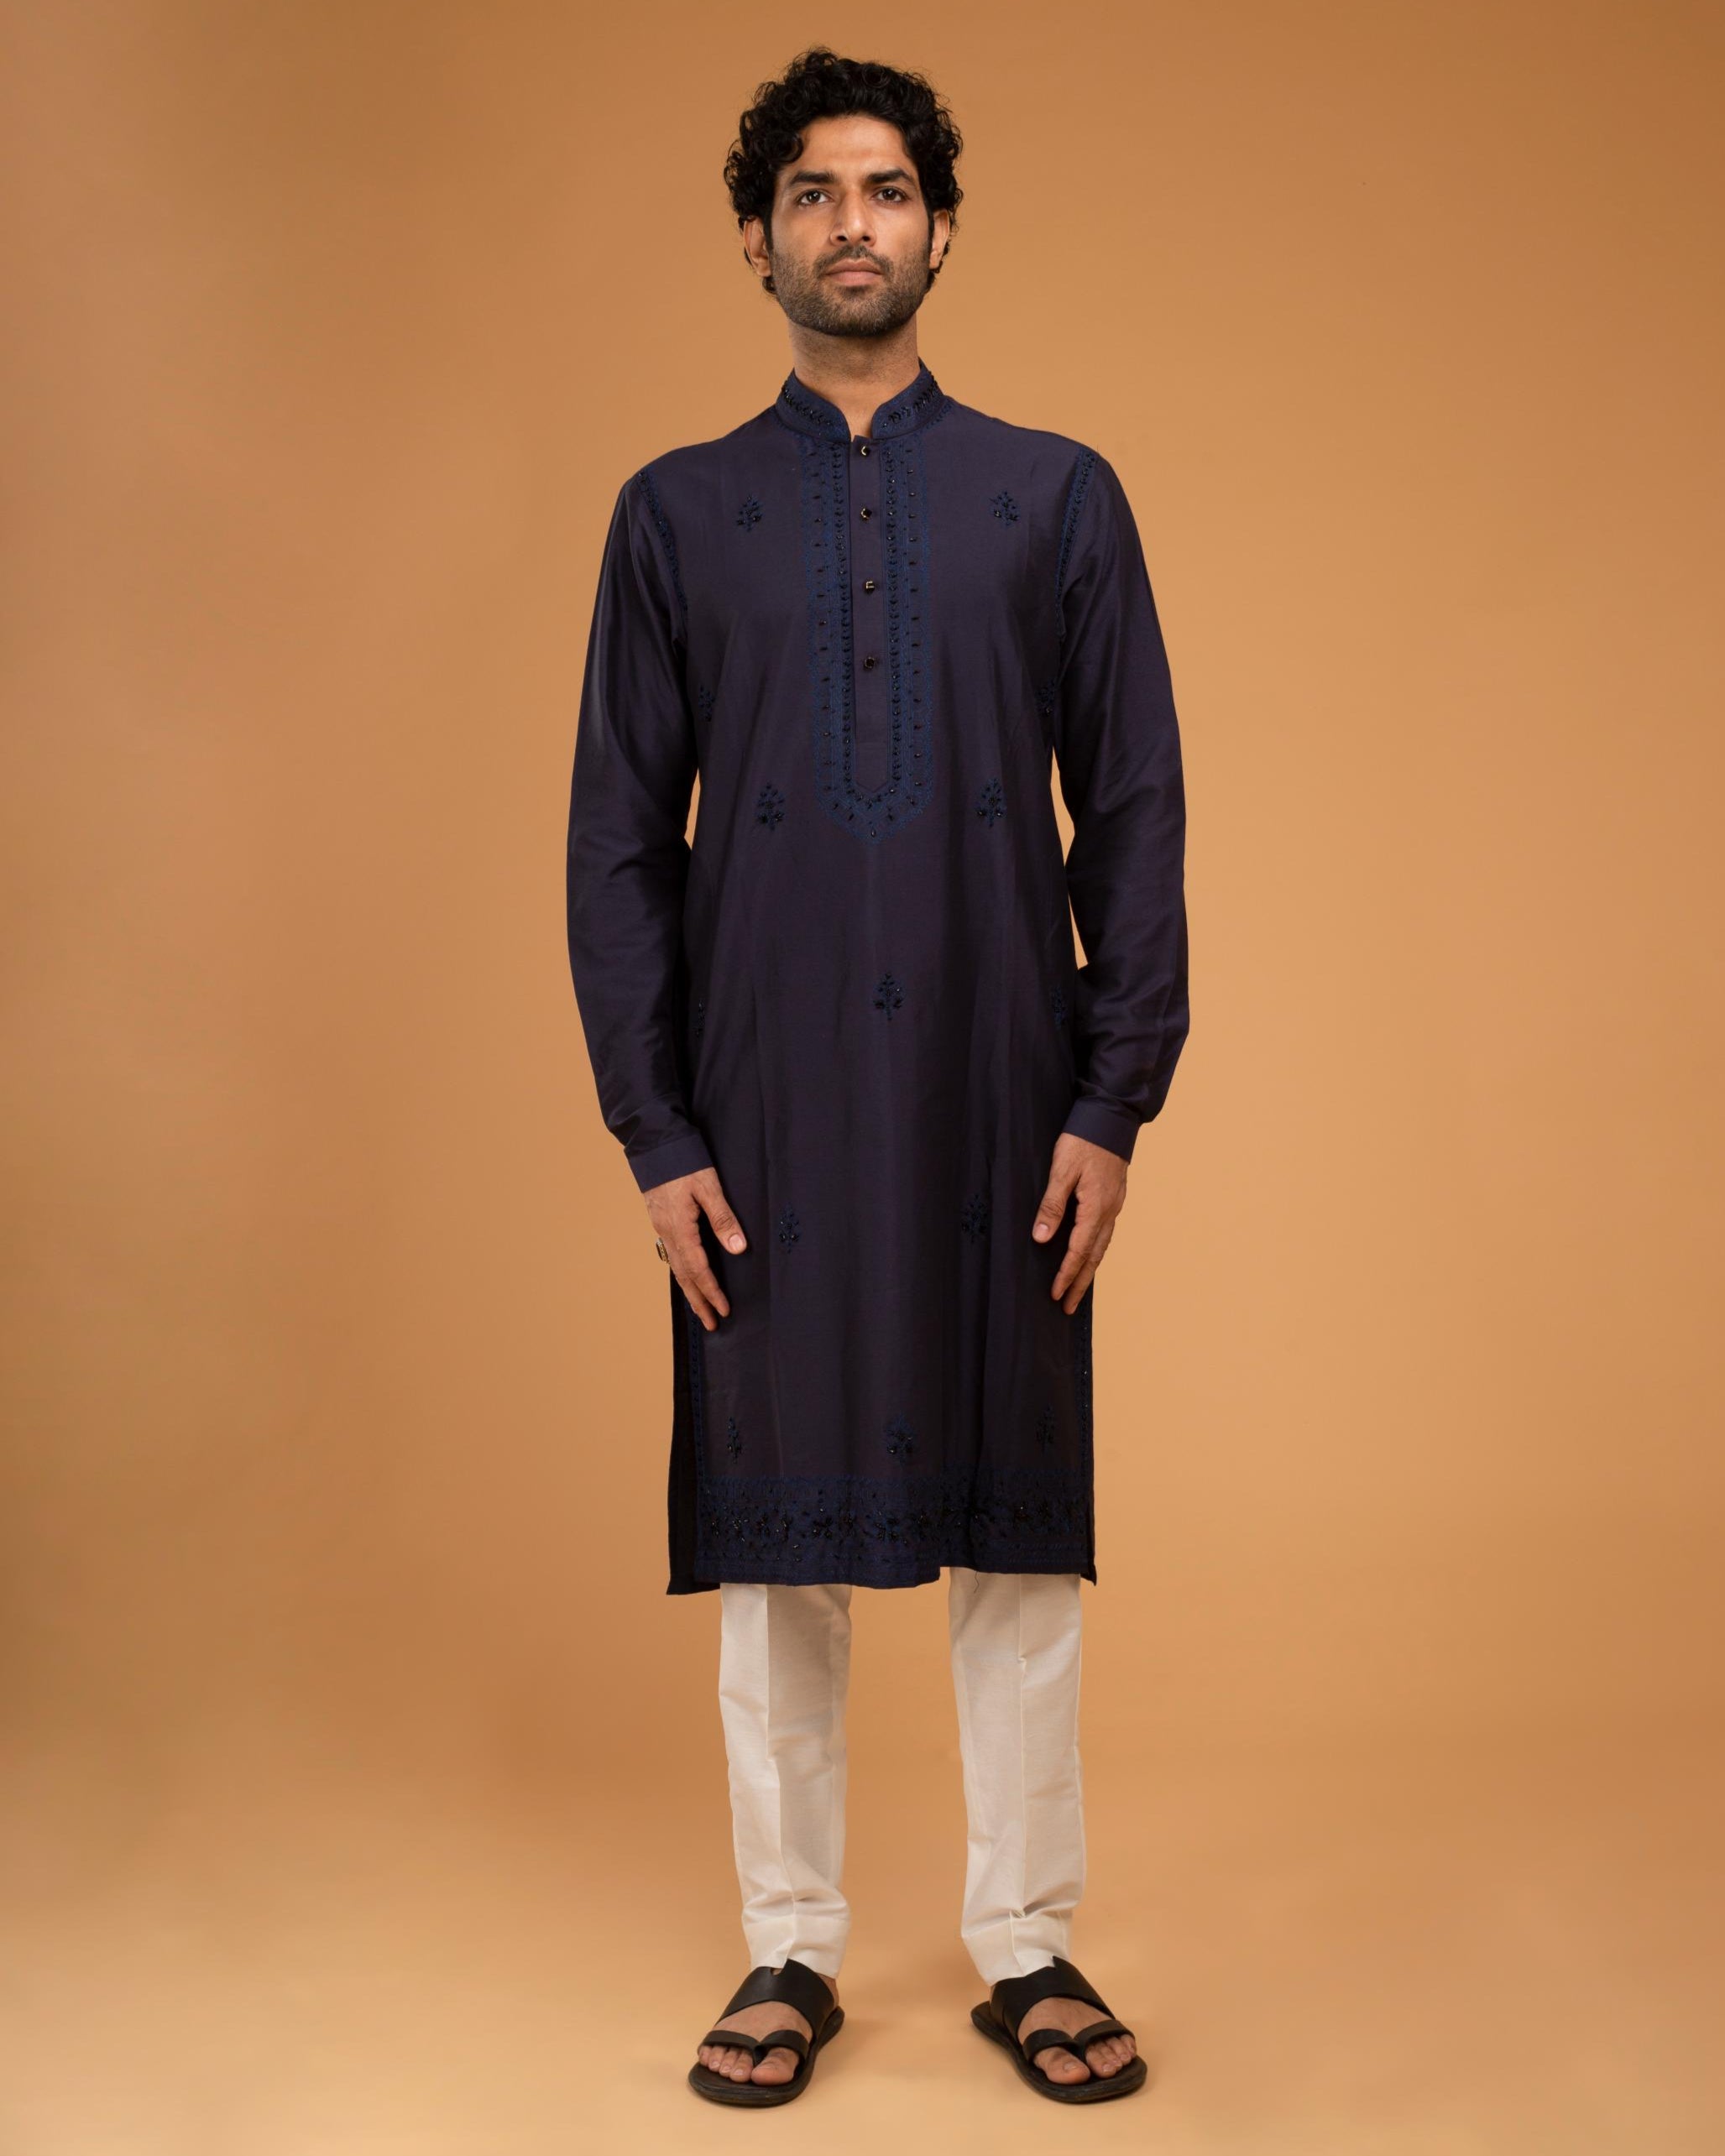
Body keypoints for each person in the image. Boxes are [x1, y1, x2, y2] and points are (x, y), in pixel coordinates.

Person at [565, 44, 1189, 2107]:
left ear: (940, 228)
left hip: (1007, 1080)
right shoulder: (674, 513)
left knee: (1019, 1531)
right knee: (775, 1544)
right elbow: (614, 842)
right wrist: (656, 1128)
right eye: (814, 193)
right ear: (755, 240)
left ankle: (1026, 1942)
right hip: (759, 1093)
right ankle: (788, 1944)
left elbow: (1134, 809)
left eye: (889, 189)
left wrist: (1111, 1093)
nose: (854, 222)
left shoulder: (1052, 493)